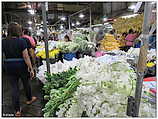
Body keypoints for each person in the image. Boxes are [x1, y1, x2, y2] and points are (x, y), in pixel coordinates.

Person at [2, 23, 37, 117]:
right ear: (18, 30)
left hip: (9, 65)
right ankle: (29, 99)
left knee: (14, 87)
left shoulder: (3, 42)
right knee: (26, 83)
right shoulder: (22, 41)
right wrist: (31, 68)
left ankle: (17, 110)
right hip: (21, 65)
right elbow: (26, 56)